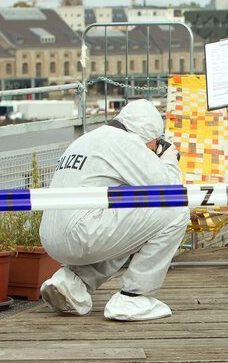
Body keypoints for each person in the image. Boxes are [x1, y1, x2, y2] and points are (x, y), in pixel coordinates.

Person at [39, 99, 189, 321]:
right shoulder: (127, 143)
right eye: (155, 143)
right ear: (147, 136)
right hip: (81, 235)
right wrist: (168, 161)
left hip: (51, 238)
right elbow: (170, 192)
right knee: (177, 211)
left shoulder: (87, 139)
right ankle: (134, 296)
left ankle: (73, 283)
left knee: (129, 224)